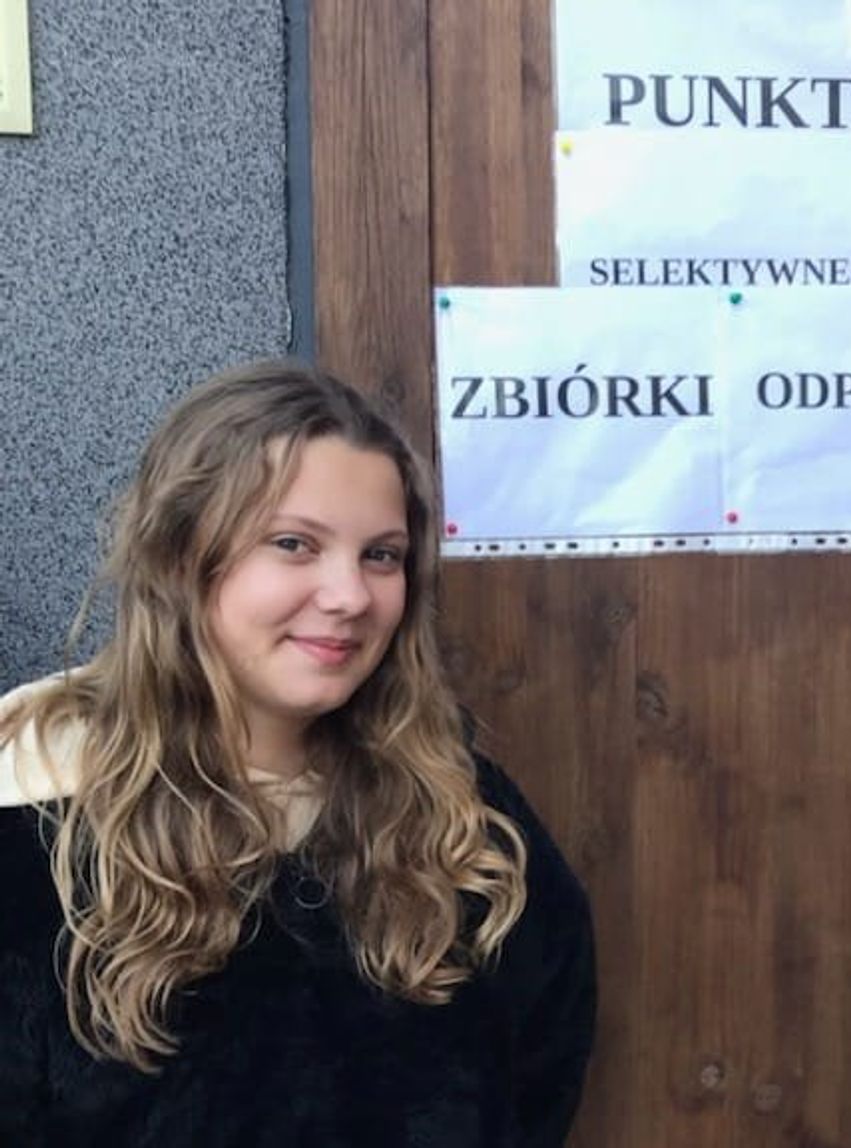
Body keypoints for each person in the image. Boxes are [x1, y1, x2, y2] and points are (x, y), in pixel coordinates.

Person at [0, 362, 596, 1146]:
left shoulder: (460, 817)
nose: (350, 596)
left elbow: (539, 1068)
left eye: (382, 555)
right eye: (293, 544)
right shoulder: (31, 809)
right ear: (182, 556)